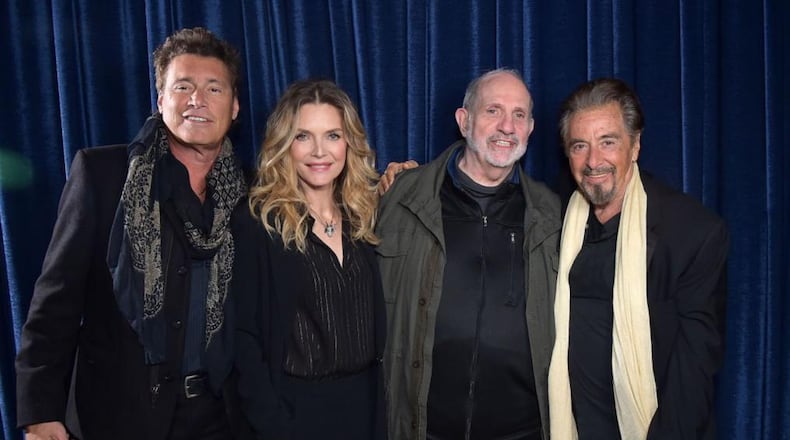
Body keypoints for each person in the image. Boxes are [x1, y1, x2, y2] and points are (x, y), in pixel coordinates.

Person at [15, 27, 249, 440]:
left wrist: (396, 180)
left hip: (222, 418)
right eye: (183, 86)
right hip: (119, 415)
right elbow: (55, 301)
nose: (198, 99)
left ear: (233, 108)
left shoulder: (253, 193)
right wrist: (40, 411)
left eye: (214, 88)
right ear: (161, 101)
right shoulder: (103, 175)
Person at [376, 68, 562, 440]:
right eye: (493, 110)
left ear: (530, 129)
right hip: (423, 429)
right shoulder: (401, 196)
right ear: (465, 121)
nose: (507, 126)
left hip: (522, 431)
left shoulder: (554, 214)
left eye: (519, 115)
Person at [548, 78, 729, 440]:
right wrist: (412, 182)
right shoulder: (551, 219)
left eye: (608, 142)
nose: (593, 161)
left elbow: (692, 377)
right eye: (579, 145)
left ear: (635, 146)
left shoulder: (692, 232)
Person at [232, 79, 386, 439]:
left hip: (366, 408)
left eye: (332, 135)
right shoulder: (258, 222)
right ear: (285, 145)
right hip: (295, 413)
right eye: (303, 136)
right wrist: (273, 423)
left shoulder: (364, 216)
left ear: (349, 143)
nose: (320, 151)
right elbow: (243, 337)